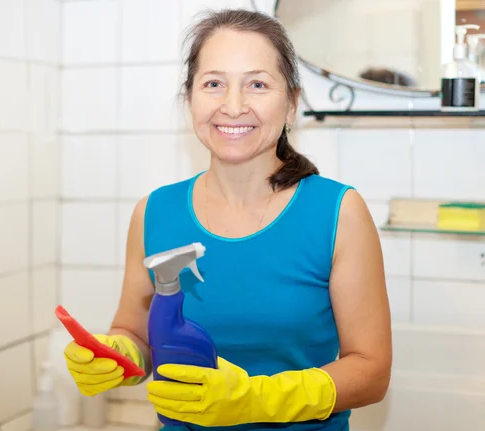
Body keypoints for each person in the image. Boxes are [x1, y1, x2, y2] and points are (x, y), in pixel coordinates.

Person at [64, 9, 392, 431]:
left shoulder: (338, 212)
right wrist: (115, 355)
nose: (233, 106)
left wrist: (259, 399)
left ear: (291, 104)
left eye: (257, 84)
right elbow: (137, 333)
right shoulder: (154, 212)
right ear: (190, 99)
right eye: (214, 84)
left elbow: (371, 370)